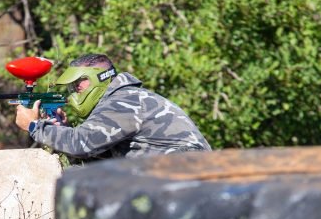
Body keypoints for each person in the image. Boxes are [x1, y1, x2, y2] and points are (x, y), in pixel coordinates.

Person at [15, 53, 211, 159]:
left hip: (186, 177)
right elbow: (95, 153)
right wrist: (62, 130)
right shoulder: (127, 97)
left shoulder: (123, 101)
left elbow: (80, 143)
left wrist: (35, 126)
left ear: (97, 78)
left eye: (78, 85)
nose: (74, 92)